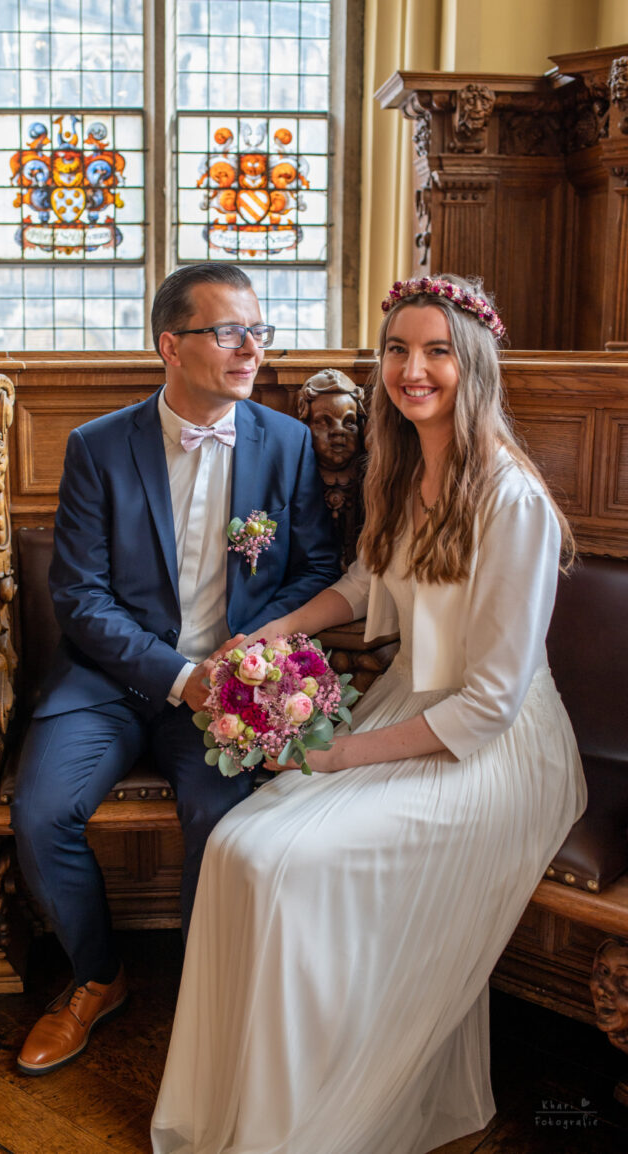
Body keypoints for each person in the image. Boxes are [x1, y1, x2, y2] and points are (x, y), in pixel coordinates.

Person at [151, 274, 587, 1154]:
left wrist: (336, 758)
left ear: (473, 365)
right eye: (397, 349)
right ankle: (237, 1102)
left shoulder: (512, 502)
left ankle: (312, 1110)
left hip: (492, 749)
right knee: (237, 846)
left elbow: (490, 704)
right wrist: (271, 632)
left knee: (281, 861)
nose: (411, 370)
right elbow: (361, 584)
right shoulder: (404, 471)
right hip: (411, 707)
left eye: (436, 352)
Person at [11, 262, 340, 1076]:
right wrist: (176, 674)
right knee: (41, 813)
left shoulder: (287, 443)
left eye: (258, 332)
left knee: (222, 822)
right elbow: (78, 595)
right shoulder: (98, 447)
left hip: (231, 689)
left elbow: (313, 570)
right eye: (229, 332)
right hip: (107, 681)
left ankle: (207, 999)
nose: (251, 350)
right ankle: (96, 978)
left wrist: (240, 656)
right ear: (171, 344)